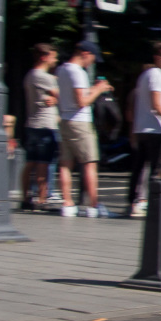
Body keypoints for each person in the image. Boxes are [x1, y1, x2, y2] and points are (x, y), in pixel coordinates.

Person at [56, 41, 113, 217]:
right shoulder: (78, 71)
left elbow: (74, 95)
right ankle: (93, 206)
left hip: (65, 119)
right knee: (89, 164)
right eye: (93, 58)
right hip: (80, 122)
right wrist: (98, 89)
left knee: (65, 164)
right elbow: (82, 102)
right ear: (86, 53)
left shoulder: (62, 69)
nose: (92, 63)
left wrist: (93, 89)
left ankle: (67, 203)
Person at [127, 42, 161, 217]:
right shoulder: (158, 75)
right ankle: (143, 201)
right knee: (154, 168)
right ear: (157, 57)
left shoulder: (145, 75)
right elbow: (157, 104)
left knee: (139, 167)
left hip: (141, 128)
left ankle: (133, 201)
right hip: (154, 129)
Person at [21, 43, 59, 211]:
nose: (55, 60)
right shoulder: (44, 77)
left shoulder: (30, 75)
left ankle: (25, 197)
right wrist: (56, 98)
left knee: (30, 163)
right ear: (44, 57)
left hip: (32, 124)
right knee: (43, 163)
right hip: (45, 125)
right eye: (53, 56)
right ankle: (42, 200)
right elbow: (62, 94)